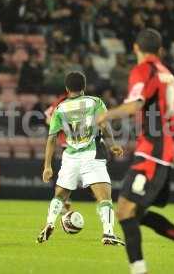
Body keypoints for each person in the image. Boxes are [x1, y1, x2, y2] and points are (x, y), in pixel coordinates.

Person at [97, 29, 174, 274]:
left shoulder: (143, 70)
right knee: (135, 212)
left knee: (125, 211)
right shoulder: (172, 78)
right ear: (160, 51)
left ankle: (140, 271)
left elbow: (135, 104)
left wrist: (105, 115)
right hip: (164, 152)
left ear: (136, 48)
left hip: (151, 152)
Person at [37, 71, 124, 246]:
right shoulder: (94, 102)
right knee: (104, 198)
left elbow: (52, 138)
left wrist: (47, 166)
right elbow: (103, 124)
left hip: (70, 156)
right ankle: (108, 233)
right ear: (84, 87)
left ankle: (50, 223)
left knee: (60, 196)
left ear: (67, 88)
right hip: (92, 154)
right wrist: (112, 143)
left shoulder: (59, 109)